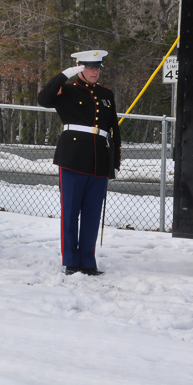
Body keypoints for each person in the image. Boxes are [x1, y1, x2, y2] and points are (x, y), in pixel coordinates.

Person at [37, 50, 121, 276]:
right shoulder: (67, 90)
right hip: (72, 158)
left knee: (93, 215)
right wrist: (63, 75)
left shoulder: (106, 94)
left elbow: (113, 127)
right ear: (80, 68)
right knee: (71, 213)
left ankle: (88, 262)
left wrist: (114, 160)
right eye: (90, 67)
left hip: (99, 161)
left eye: (97, 68)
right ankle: (72, 261)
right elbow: (43, 99)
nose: (95, 71)